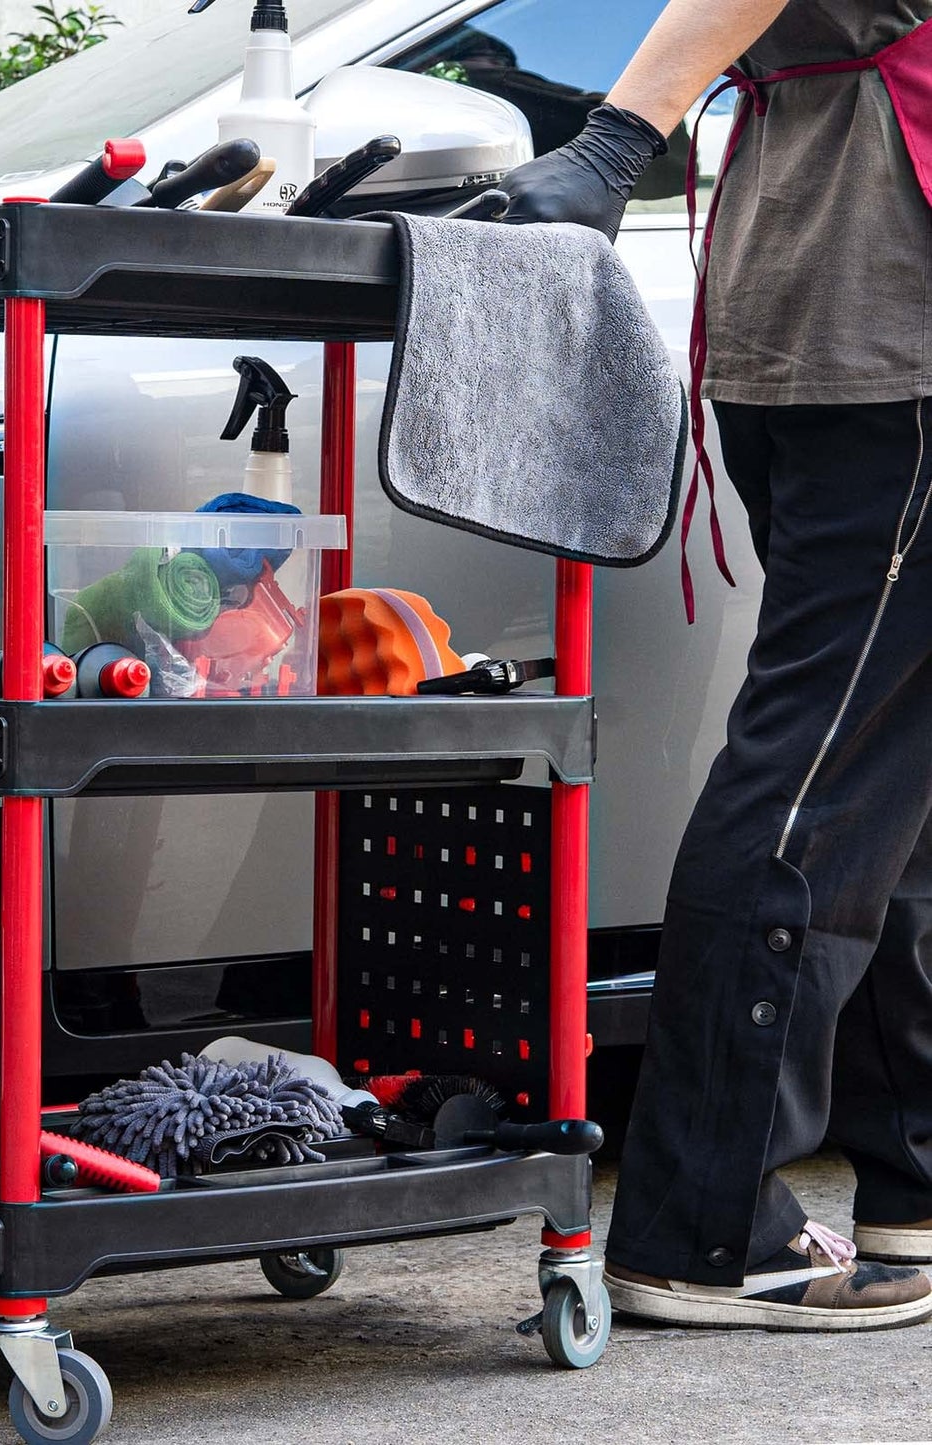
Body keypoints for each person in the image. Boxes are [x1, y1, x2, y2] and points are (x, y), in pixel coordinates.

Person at [497, 0, 932, 1330]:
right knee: (819, 771)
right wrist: (618, 133)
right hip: (887, 320)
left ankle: (907, 1186)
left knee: (889, 784)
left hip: (825, 296)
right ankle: (701, 1222)